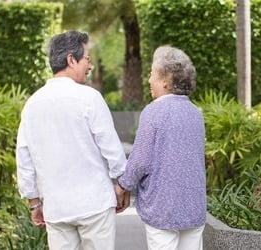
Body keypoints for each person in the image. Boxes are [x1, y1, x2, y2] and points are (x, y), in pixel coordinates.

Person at [16, 30, 130, 250]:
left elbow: (24, 156)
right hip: (95, 204)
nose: (90, 65)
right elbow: (111, 147)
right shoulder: (90, 98)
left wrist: (33, 202)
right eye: (87, 59)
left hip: (57, 208)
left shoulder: (32, 104)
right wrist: (121, 185)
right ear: (71, 59)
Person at [115, 45, 206, 250]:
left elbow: (140, 160)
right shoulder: (195, 112)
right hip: (193, 205)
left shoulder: (153, 111)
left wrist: (122, 185)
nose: (149, 80)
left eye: (152, 74)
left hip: (163, 208)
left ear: (166, 80)